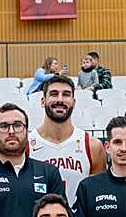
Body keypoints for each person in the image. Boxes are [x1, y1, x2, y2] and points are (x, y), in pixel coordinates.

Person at [29, 74, 107, 204]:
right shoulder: (27, 145)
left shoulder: (92, 146)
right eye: (54, 94)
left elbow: (97, 197)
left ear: (74, 102)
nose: (60, 99)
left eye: (66, 94)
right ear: (42, 101)